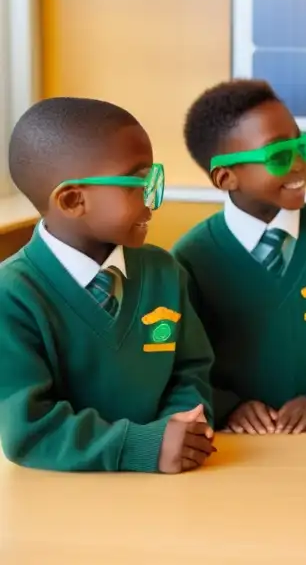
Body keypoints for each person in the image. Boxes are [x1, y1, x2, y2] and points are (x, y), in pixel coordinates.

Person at [0, 97, 216, 473]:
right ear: (72, 200)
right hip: (60, 500)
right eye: (139, 182)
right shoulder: (13, 294)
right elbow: (28, 428)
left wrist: (181, 430)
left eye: (154, 178)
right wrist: (144, 446)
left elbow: (191, 372)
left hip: (167, 486)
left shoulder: (165, 272)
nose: (153, 198)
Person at [172, 80, 306, 435]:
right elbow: (179, 361)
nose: (300, 163)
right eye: (279, 155)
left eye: (302, 145)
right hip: (234, 441)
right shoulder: (190, 257)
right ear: (226, 177)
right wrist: (226, 406)